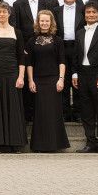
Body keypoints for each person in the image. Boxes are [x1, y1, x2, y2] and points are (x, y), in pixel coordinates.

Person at [0, 2, 27, 152]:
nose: (1, 14)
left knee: (14, 107)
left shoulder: (17, 32)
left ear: (9, 14)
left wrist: (21, 77)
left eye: (4, 12)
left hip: (13, 73)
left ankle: (15, 144)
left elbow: (22, 58)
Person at [25, 10, 69, 153]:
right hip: (37, 80)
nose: (44, 23)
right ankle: (39, 145)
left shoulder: (58, 41)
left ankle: (55, 145)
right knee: (40, 113)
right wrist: (31, 80)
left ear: (51, 23)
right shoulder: (31, 41)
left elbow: (62, 62)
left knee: (53, 112)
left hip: (53, 80)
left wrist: (61, 79)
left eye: (47, 21)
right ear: (38, 23)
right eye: (42, 21)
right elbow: (29, 63)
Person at [73, 2, 98, 154]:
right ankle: (90, 142)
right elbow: (76, 56)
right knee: (86, 110)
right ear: (84, 15)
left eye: (94, 12)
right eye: (88, 12)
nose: (91, 15)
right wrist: (75, 73)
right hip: (82, 74)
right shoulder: (79, 33)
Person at [58, 0, 85, 122]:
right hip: (62, 47)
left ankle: (78, 112)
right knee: (64, 78)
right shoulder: (57, 10)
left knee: (78, 79)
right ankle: (64, 112)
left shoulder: (83, 10)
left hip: (79, 47)